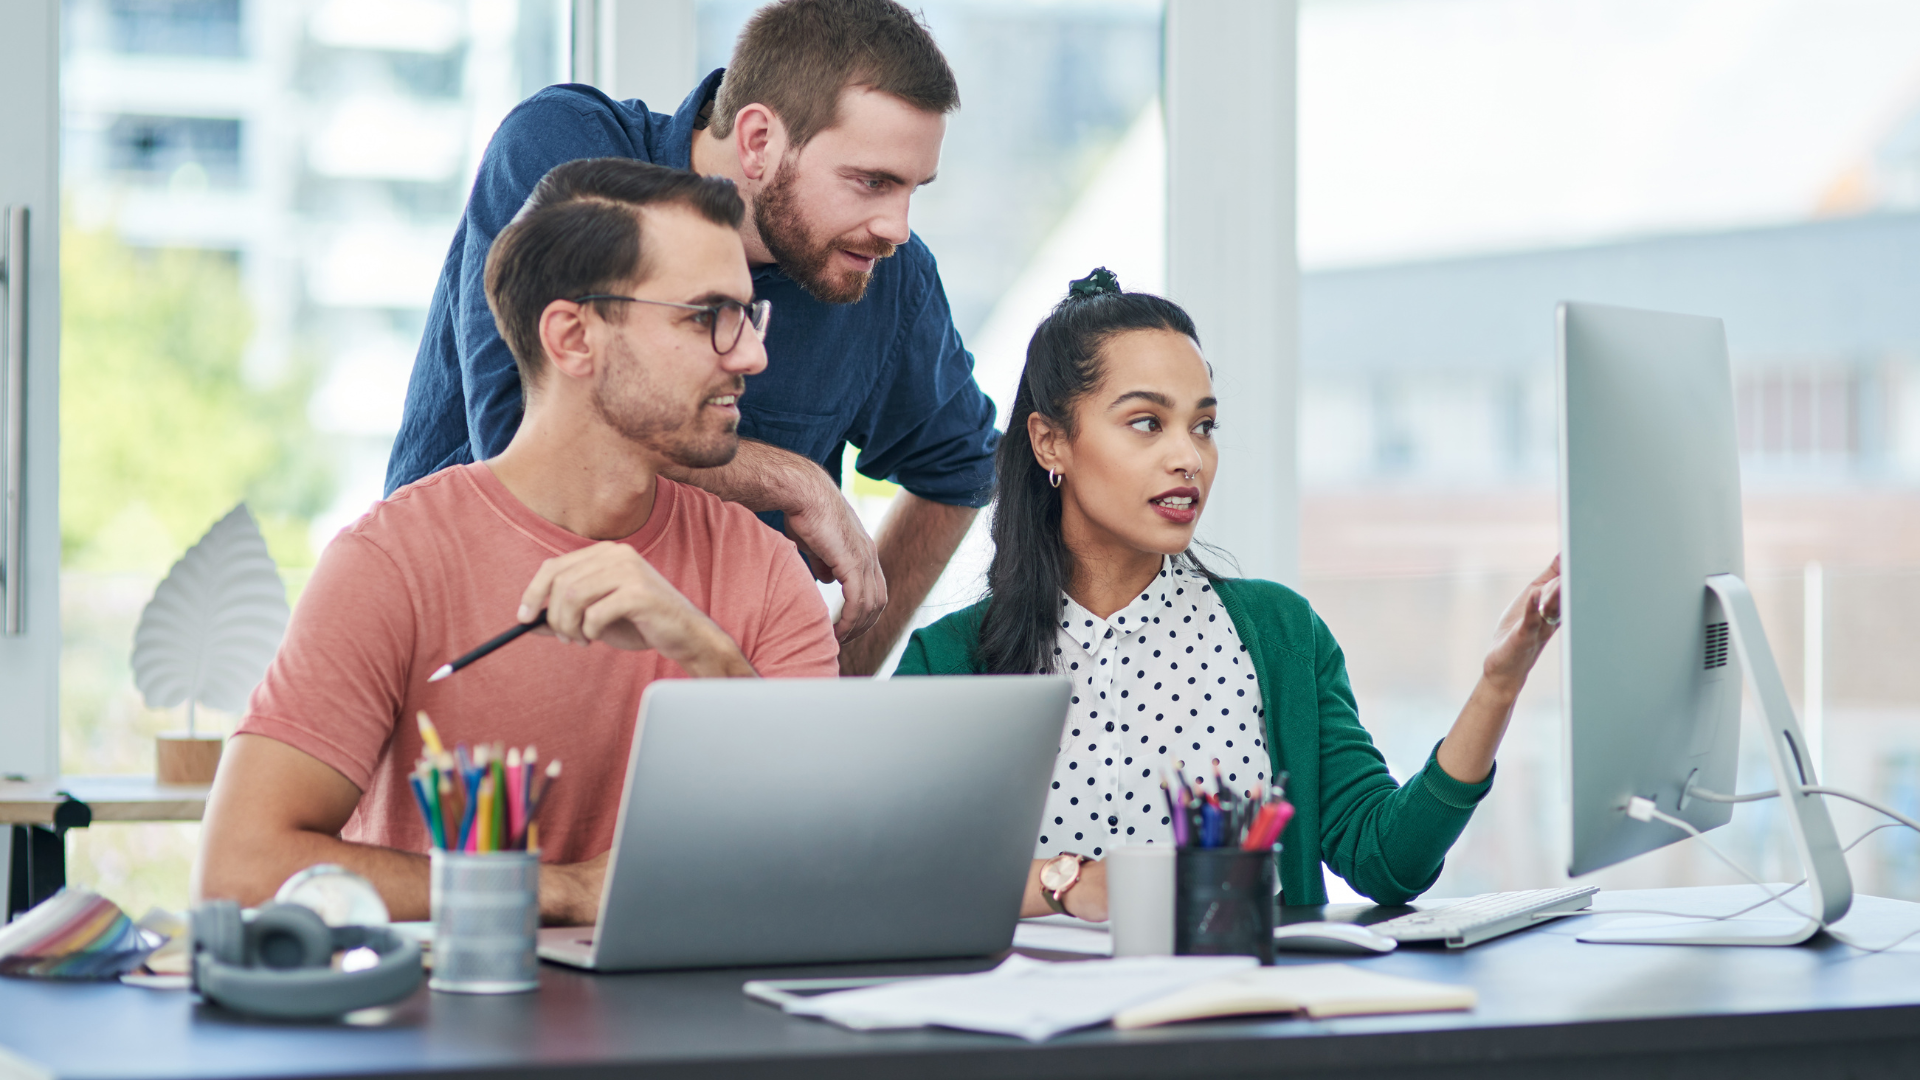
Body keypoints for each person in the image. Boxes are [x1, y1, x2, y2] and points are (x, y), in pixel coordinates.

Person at [194, 160, 841, 924]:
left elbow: (824, 862)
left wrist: (704, 651)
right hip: (451, 1031)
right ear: (573, 337)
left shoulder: (763, 570)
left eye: (746, 316)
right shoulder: (392, 561)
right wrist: (564, 891)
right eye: (706, 317)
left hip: (696, 1030)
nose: (751, 356)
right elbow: (241, 868)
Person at [895, 269, 1563, 920]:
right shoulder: (949, 659)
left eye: (1203, 426)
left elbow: (1388, 862)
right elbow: (902, 876)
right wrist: (1066, 883)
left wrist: (1498, 684)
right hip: (1031, 1025)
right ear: (1051, 442)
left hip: (1245, 1014)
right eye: (1146, 423)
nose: (1188, 456)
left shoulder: (1278, 633)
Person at [387, 0, 996, 675]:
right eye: (872, 181)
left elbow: (960, 467)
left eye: (914, 188)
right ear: (759, 140)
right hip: (482, 660)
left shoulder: (886, 276)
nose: (897, 227)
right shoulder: (565, 153)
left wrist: (834, 678)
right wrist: (790, 480)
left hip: (722, 710)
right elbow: (526, 438)